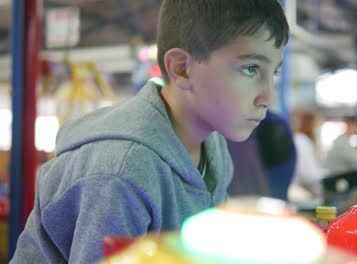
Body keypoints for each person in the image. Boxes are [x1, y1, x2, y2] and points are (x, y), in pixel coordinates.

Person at [11, 1, 289, 263]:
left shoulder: (212, 146)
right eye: (251, 69)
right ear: (182, 69)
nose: (268, 97)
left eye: (274, 72)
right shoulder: (122, 171)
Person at [288, 110, 328, 202]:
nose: (319, 128)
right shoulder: (302, 141)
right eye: (318, 124)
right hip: (300, 192)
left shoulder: (304, 140)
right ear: (310, 124)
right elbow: (309, 175)